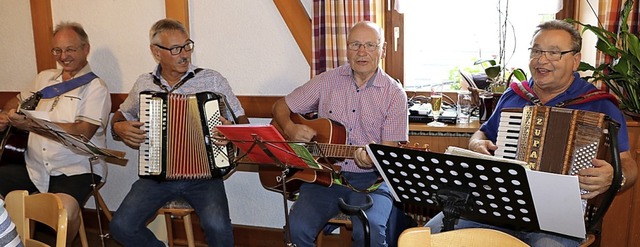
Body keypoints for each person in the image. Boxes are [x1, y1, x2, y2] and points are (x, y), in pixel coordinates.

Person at [426, 20, 638, 247]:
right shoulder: (514, 95)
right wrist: (477, 145)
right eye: (536, 51)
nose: (542, 59)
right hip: (498, 209)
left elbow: (629, 165)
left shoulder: (600, 106)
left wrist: (615, 177)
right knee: (430, 235)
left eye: (554, 53)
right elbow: (481, 134)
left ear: (575, 60)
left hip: (559, 222)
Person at [109, 18, 249, 247]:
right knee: (121, 226)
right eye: (175, 49)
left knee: (218, 228)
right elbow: (121, 116)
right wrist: (118, 127)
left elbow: (243, 121)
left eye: (187, 46)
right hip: (157, 174)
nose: (184, 54)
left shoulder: (211, 79)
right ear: (156, 52)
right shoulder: (144, 84)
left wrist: (232, 133)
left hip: (205, 175)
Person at [272, 21, 409, 246]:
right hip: (325, 176)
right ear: (347, 49)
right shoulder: (327, 81)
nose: (362, 52)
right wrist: (290, 128)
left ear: (383, 50)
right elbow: (281, 106)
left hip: (371, 180)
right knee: (296, 229)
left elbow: (388, 154)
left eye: (370, 45)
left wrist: (370, 161)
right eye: (355, 45)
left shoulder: (394, 95)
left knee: (370, 232)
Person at [0, 21, 110, 243]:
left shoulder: (96, 87)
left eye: (70, 49)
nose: (63, 56)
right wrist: (6, 115)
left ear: (86, 48)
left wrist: (31, 125)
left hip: (76, 168)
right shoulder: (44, 79)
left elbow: (82, 133)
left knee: (65, 213)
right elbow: (16, 101)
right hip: (33, 166)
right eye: (57, 50)